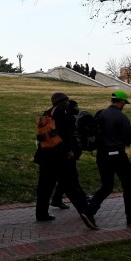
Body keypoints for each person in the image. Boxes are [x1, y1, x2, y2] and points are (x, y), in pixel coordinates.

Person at [33, 92, 97, 229]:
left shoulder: (47, 113)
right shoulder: (62, 113)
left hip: (45, 155)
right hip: (60, 155)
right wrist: (69, 151)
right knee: (71, 185)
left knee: (45, 186)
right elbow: (66, 135)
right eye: (67, 101)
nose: (68, 103)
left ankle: (41, 213)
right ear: (63, 101)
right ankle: (86, 213)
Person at [85, 90, 131, 227]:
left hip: (102, 156)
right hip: (118, 155)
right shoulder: (121, 117)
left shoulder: (100, 114)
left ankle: (89, 211)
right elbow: (128, 139)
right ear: (121, 102)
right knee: (127, 186)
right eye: (124, 102)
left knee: (107, 186)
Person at [50, 100, 81, 210]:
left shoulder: (64, 117)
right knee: (71, 177)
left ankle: (57, 198)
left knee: (67, 177)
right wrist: (70, 150)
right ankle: (80, 201)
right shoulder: (69, 119)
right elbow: (69, 137)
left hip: (65, 152)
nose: (78, 108)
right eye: (76, 106)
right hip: (68, 153)